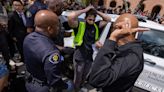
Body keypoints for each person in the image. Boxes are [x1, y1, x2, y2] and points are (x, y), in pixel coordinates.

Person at [88, 13, 149, 92]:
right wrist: (106, 48)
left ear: (117, 29)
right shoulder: (127, 48)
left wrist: (112, 38)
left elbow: (97, 79)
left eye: (113, 28)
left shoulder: (131, 56)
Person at [24, 10, 73, 92]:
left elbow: (40, 48)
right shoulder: (53, 54)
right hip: (43, 87)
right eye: (57, 26)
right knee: (70, 86)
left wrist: (62, 49)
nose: (59, 29)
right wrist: (66, 86)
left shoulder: (28, 38)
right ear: (49, 29)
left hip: (29, 81)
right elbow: (54, 80)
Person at [67, 5, 111, 91]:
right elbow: (71, 17)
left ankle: (81, 87)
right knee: (78, 76)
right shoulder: (80, 25)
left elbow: (108, 19)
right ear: (85, 18)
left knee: (85, 75)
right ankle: (76, 89)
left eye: (94, 20)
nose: (92, 21)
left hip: (90, 56)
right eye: (90, 19)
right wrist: (85, 10)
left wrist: (96, 11)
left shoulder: (96, 26)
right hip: (80, 55)